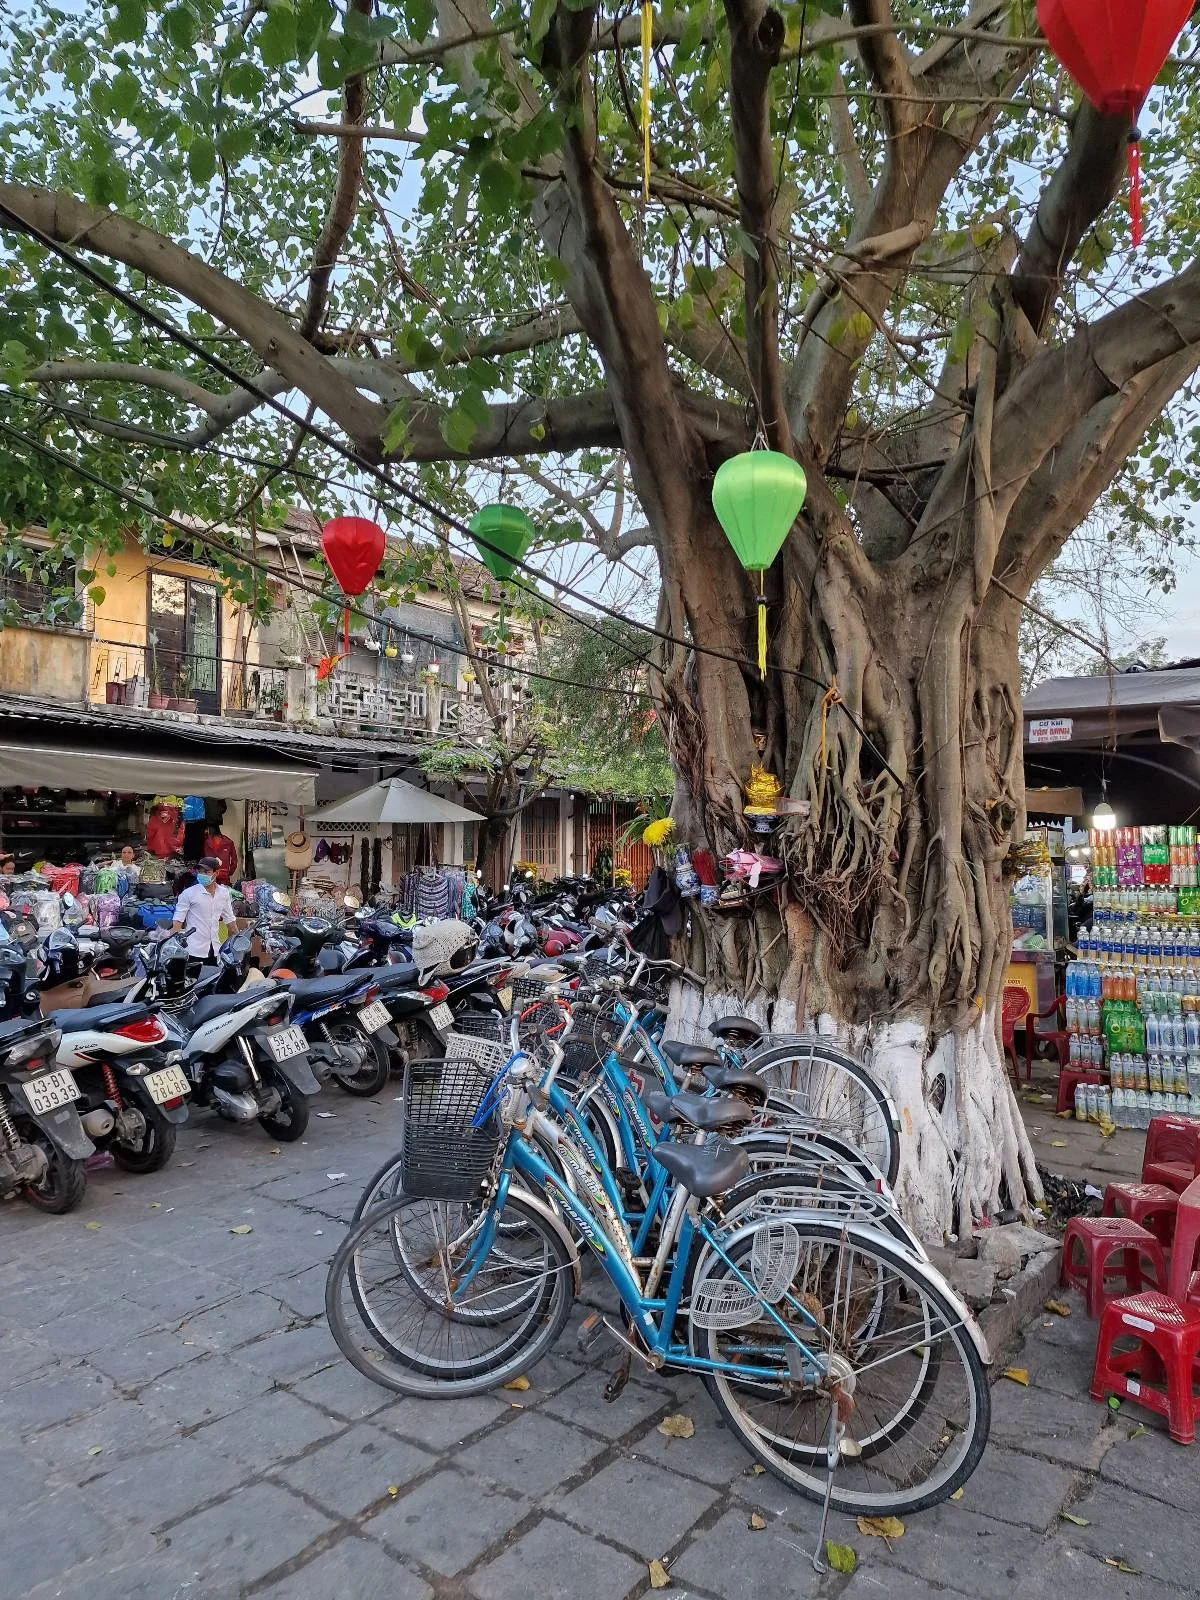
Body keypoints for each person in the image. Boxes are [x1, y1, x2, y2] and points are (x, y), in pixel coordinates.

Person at [171, 855, 235, 962]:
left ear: (217, 873)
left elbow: (230, 921)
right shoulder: (189, 893)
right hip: (193, 951)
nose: (202, 875)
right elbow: (178, 921)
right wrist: (174, 946)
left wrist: (234, 944)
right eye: (200, 872)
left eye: (207, 872)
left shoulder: (223, 893)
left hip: (215, 950)